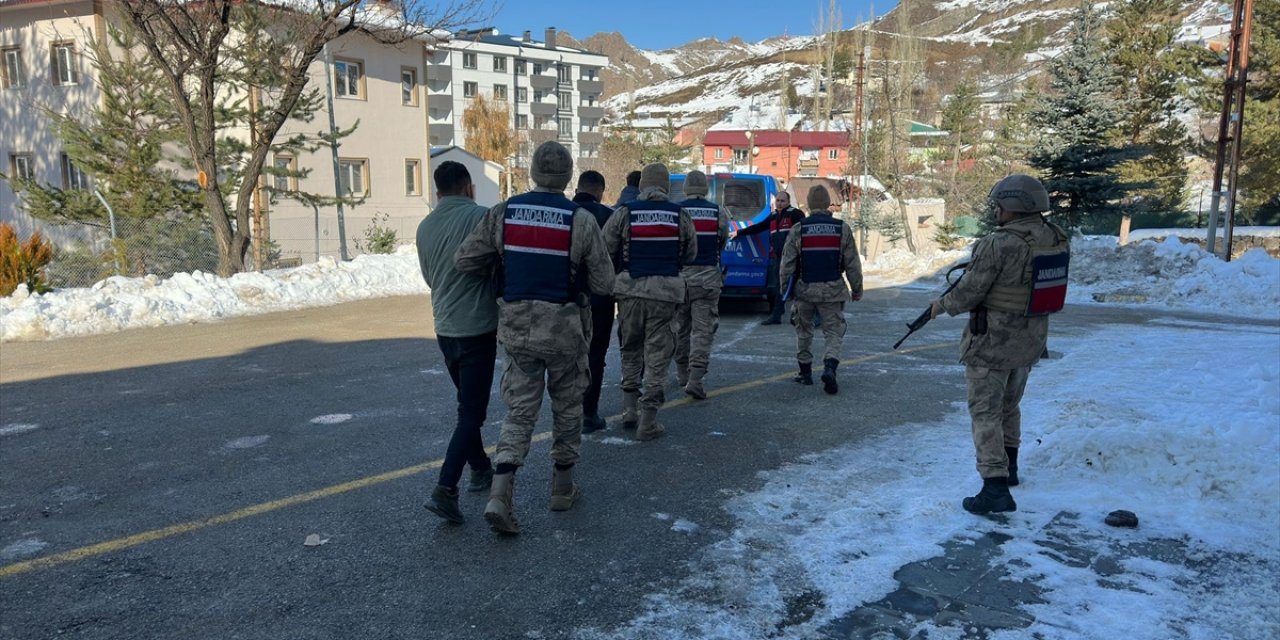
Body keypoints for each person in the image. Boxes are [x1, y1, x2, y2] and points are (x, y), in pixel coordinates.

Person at [454, 141, 615, 535]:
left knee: (519, 413)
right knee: (567, 408)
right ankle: (562, 487)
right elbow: (604, 282)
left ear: (533, 173)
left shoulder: (503, 213)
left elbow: (465, 260)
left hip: (517, 329)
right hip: (565, 330)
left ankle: (500, 493)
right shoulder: (580, 219)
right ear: (567, 175)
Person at [929, 174, 1070, 515]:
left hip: (992, 342)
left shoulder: (999, 243)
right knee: (1010, 405)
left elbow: (969, 292)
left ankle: (994, 487)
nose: (996, 211)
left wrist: (940, 306)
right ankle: (1011, 470)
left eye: (999, 205)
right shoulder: (1055, 237)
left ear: (1012, 206)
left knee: (985, 412)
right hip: (1030, 339)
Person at [416, 161, 500, 524]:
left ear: (438, 192)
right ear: (468, 188)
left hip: (444, 328)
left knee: (467, 403)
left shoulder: (425, 226)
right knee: (471, 411)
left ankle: (480, 466)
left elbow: (429, 277)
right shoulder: (483, 217)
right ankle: (445, 488)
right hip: (478, 327)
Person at [601, 162, 697, 441]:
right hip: (666, 293)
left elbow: (606, 248)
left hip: (630, 290)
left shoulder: (624, 213)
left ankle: (629, 410)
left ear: (642, 185)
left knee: (630, 349)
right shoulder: (679, 215)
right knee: (657, 356)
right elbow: (691, 253)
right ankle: (648, 421)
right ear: (666, 186)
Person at [778, 185, 862, 395]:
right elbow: (852, 262)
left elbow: (787, 263)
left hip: (804, 290)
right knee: (833, 332)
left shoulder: (799, 228)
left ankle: (805, 373)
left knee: (803, 331)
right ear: (827, 203)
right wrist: (857, 288)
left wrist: (783, 290)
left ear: (809, 204)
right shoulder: (841, 228)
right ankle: (830, 367)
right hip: (832, 290)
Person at [673, 170, 730, 399]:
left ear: (686, 188)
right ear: (705, 190)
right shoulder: (717, 212)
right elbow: (723, 240)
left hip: (680, 279)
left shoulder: (676, 211)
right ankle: (696, 379)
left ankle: (681, 373)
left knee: (679, 328)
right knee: (703, 331)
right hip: (707, 278)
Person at [572, 170, 617, 433]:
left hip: (566, 298)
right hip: (600, 299)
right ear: (600, 191)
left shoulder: (567, 213)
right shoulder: (608, 216)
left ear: (578, 187)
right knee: (595, 355)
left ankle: (568, 411)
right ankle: (589, 414)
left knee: (567, 357)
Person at [729, 190, 805, 325]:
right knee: (778, 287)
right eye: (778, 201)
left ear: (788, 202)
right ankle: (776, 315)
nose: (780, 204)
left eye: (783, 201)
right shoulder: (773, 216)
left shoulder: (795, 214)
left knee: (795, 286)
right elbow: (758, 227)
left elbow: (804, 233)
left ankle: (798, 315)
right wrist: (739, 232)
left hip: (792, 258)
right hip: (777, 257)